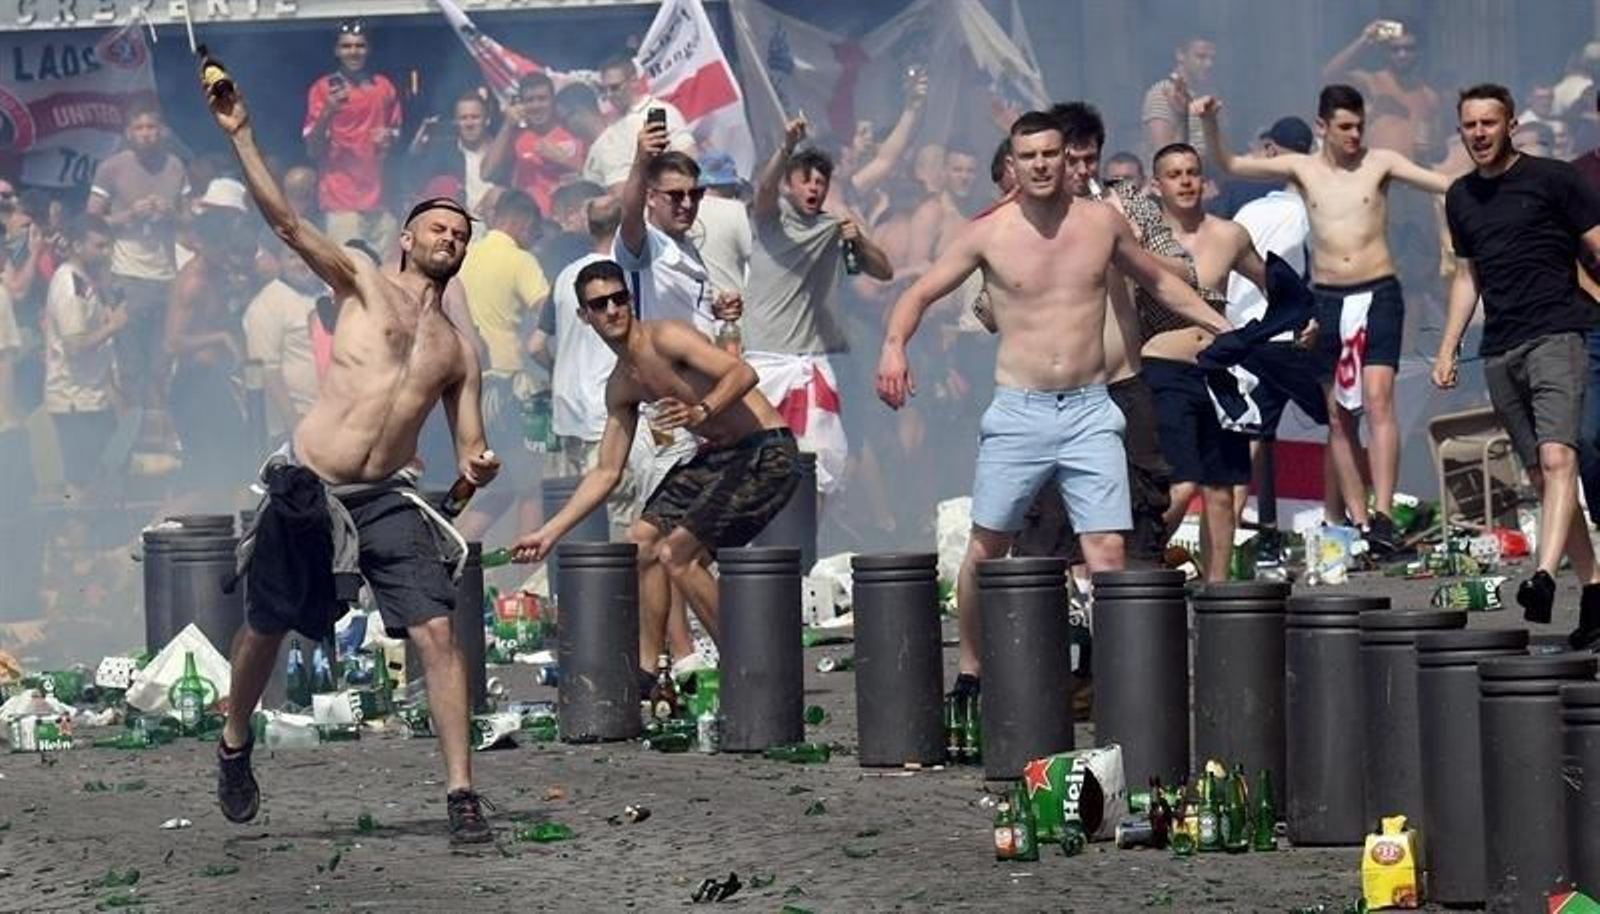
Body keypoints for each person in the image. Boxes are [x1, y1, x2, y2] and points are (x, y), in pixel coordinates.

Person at [205, 73, 500, 845]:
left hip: (388, 497)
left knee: (437, 631)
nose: (450, 239)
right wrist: (241, 134)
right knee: (267, 628)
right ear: (407, 238)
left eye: (461, 234)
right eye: (438, 228)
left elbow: (468, 458)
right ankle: (235, 742)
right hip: (310, 486)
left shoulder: (459, 351)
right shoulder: (362, 284)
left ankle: (462, 793)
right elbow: (288, 223)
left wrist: (474, 475)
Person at [876, 112, 1230, 696]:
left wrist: (1224, 327)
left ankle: (1119, 682)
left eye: (1051, 154)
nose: (1041, 165)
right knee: (987, 548)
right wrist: (894, 348)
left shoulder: (1102, 223)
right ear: (1012, 165)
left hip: (1093, 408)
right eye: (1029, 156)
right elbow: (918, 292)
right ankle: (971, 670)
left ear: (1068, 159)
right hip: (1021, 409)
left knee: (1107, 550)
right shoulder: (987, 232)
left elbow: (1163, 284)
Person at [1198, 85, 1450, 553]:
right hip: (1330, 297)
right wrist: (1209, 122)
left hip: (1378, 290)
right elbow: (1230, 164)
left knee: (1378, 400)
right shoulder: (1303, 168)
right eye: (1345, 127)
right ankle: (1358, 520)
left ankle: (1383, 510)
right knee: (1338, 415)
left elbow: (1441, 182)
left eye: (1360, 126)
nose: (1355, 136)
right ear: (1322, 127)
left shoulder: (1381, 163)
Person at [511, 259, 799, 659]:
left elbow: (741, 373)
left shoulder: (666, 338)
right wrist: (548, 533)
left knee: (678, 554)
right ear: (584, 315)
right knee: (641, 541)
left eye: (618, 299)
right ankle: (650, 670)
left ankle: (748, 670)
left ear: (630, 301)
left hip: (767, 452)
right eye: (599, 304)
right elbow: (606, 472)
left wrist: (703, 411)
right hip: (720, 458)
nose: (612, 310)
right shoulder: (621, 384)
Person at [1435, 83, 1600, 650]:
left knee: (1560, 458)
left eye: (1488, 123)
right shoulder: (1459, 197)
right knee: (1540, 475)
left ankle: (1544, 575)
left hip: (1557, 333)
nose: (1479, 133)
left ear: (1510, 125)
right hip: (1499, 348)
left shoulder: (1553, 179)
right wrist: (1448, 346)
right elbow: (1467, 276)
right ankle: (1597, 591)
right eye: (1469, 125)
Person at [1013, 101, 1189, 583]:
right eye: (1074, 159)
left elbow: (1182, 271)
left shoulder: (1125, 203)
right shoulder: (1027, 216)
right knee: (1048, 531)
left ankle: (1128, 643)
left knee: (1136, 522)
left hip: (1123, 384)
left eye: (1092, 159)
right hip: (1052, 390)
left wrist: (1129, 247)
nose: (1084, 170)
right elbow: (991, 309)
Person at [746, 118, 893, 497]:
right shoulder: (769, 218)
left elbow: (883, 270)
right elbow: (763, 188)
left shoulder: (832, 227)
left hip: (813, 363)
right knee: (761, 465)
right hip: (764, 360)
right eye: (805, 179)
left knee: (824, 465)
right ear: (789, 184)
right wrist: (785, 147)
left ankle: (806, 546)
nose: (813, 187)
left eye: (820, 181)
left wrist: (858, 237)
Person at [1145, 143, 1269, 582]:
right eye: (1174, 174)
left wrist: (1299, 315)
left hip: (1217, 372)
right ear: (1156, 185)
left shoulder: (1228, 235)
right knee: (1181, 484)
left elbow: (1269, 279)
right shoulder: (1141, 239)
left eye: (1192, 172)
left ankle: (1217, 591)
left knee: (1222, 489)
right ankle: (1140, 565)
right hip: (1162, 367)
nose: (1185, 181)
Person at [1223, 117, 1323, 546]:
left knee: (1249, 433)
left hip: (1242, 334)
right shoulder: (1308, 216)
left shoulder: (1248, 212)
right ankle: (1234, 532)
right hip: (1284, 339)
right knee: (1259, 435)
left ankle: (1242, 529)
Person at [455, 188, 551, 540]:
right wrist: (552, 359)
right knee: (530, 482)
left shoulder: (465, 258)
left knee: (496, 479)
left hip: (468, 386)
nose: (534, 241)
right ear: (523, 222)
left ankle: (455, 545)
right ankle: (533, 581)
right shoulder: (520, 260)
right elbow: (547, 309)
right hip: (507, 386)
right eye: (535, 232)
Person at [86, 102, 188, 426]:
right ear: (129, 133)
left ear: (162, 131)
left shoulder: (174, 166)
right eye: (140, 128)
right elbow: (91, 221)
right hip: (127, 273)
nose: (146, 134)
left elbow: (188, 218)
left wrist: (169, 212)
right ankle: (131, 442)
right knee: (130, 364)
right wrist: (131, 214)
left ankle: (161, 439)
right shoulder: (113, 168)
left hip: (166, 273)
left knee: (162, 363)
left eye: (152, 127)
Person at [164, 179, 256, 501]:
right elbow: (172, 342)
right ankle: (148, 540)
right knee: (202, 479)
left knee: (231, 469)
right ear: (201, 243)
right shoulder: (192, 283)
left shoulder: (220, 275)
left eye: (226, 245)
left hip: (215, 384)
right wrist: (219, 337)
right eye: (218, 245)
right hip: (192, 387)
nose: (223, 253)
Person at [44, 215, 126, 499]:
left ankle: (97, 540)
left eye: (109, 246)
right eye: (99, 246)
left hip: (92, 399)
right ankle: (79, 540)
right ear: (78, 246)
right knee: (82, 485)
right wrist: (113, 326)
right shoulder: (69, 285)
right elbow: (75, 347)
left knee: (102, 480)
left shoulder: (87, 281)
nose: (106, 253)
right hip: (74, 402)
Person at [303, 20, 401, 254]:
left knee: (384, 281)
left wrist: (390, 138)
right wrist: (328, 112)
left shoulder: (384, 87)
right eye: (347, 46)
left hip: (380, 202)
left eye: (360, 45)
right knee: (350, 282)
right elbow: (312, 150)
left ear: (368, 49)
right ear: (337, 51)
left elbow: (397, 136)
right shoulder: (323, 89)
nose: (354, 52)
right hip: (341, 203)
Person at [1322, 19, 1440, 161]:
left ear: (1418, 52)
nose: (1402, 54)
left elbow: (1440, 149)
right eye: (1395, 49)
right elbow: (1330, 75)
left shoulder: (1428, 96)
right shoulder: (1370, 83)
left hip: (1413, 178)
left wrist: (1432, 146)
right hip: (1375, 177)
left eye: (1409, 48)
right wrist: (1364, 40)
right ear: (1385, 52)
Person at [244, 243, 323, 438]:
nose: (302, 263)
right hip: (297, 423)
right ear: (279, 261)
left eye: (307, 255)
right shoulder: (266, 305)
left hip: (334, 419)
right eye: (292, 257)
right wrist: (294, 423)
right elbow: (268, 371)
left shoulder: (327, 294)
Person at [583, 56, 695, 192]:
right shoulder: (609, 127)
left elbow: (688, 157)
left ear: (633, 82)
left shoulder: (660, 111)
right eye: (603, 89)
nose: (609, 94)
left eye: (615, 87)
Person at [482, 73, 585, 218]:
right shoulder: (515, 135)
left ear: (553, 101)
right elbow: (487, 173)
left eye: (542, 99)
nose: (536, 106)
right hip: (525, 221)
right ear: (521, 104)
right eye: (529, 100)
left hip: (564, 219)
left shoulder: (573, 130)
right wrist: (507, 125)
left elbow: (597, 176)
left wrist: (565, 160)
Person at [407, 92, 496, 213]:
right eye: (463, 118)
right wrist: (418, 143)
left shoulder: (501, 151)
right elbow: (415, 181)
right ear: (456, 122)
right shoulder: (444, 153)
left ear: (487, 120)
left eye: (475, 117)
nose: (469, 123)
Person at [1142, 33, 1217, 162]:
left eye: (1212, 58)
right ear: (1180, 55)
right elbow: (1163, 154)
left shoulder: (1204, 94)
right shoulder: (1162, 92)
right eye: (1201, 57)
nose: (1208, 64)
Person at [690, 151, 752, 296]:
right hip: (729, 307)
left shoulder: (681, 209)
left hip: (686, 308)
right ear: (730, 186)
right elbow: (756, 258)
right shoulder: (736, 210)